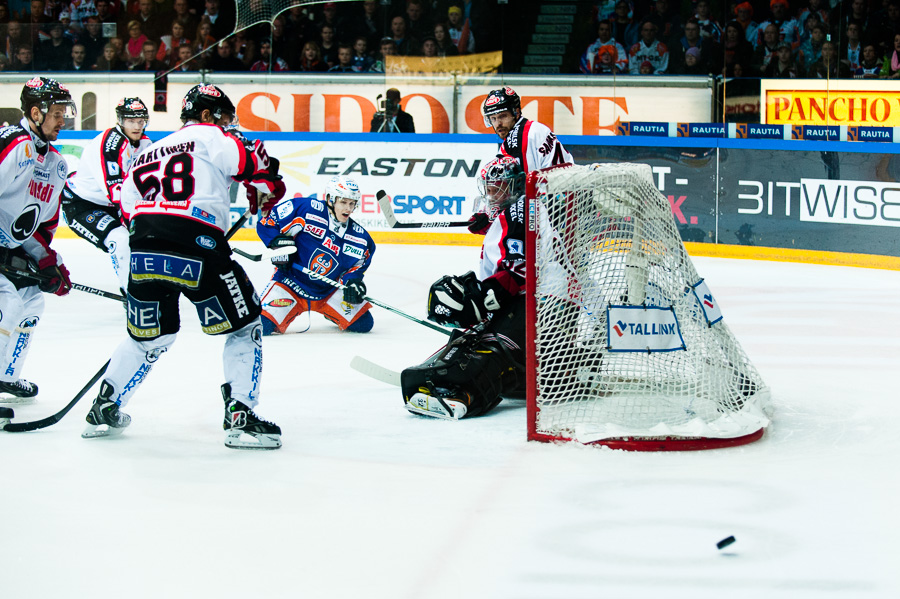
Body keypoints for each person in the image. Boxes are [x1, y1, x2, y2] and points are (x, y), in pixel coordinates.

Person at [82, 84, 286, 449]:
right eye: (224, 117)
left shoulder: (149, 151)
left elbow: (128, 206)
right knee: (244, 326)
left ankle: (105, 406)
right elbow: (253, 162)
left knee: (149, 337)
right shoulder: (212, 137)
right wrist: (266, 185)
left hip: (143, 249)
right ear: (208, 116)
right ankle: (240, 415)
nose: (228, 124)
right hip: (196, 245)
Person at [400, 157, 528, 420]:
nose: (491, 192)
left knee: (494, 347)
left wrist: (482, 300)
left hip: (530, 302)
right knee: (473, 337)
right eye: (489, 186)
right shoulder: (517, 211)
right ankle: (442, 373)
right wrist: (489, 224)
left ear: (513, 186)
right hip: (526, 300)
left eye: (498, 186)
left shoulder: (516, 216)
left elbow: (518, 270)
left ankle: (463, 394)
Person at [0, 77, 75, 402]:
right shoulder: (15, 145)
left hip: (9, 248)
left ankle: (6, 376)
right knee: (8, 303)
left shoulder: (57, 164)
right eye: (57, 113)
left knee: (32, 301)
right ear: (35, 112)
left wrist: (48, 262)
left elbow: (41, 228)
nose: (63, 120)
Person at [255, 176, 376, 336]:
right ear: (329, 199)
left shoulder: (361, 239)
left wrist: (353, 283)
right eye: (343, 202)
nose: (348, 208)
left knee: (364, 324)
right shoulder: (305, 209)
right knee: (261, 326)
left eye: (351, 203)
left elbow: (356, 269)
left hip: (328, 290)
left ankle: (330, 312)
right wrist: (277, 244)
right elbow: (268, 221)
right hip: (290, 284)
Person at [60, 97, 151, 294]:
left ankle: (143, 284)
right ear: (120, 121)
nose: (136, 126)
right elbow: (116, 193)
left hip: (110, 205)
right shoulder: (110, 145)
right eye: (130, 121)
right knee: (121, 239)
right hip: (81, 205)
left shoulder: (145, 144)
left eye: (140, 121)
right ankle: (131, 293)